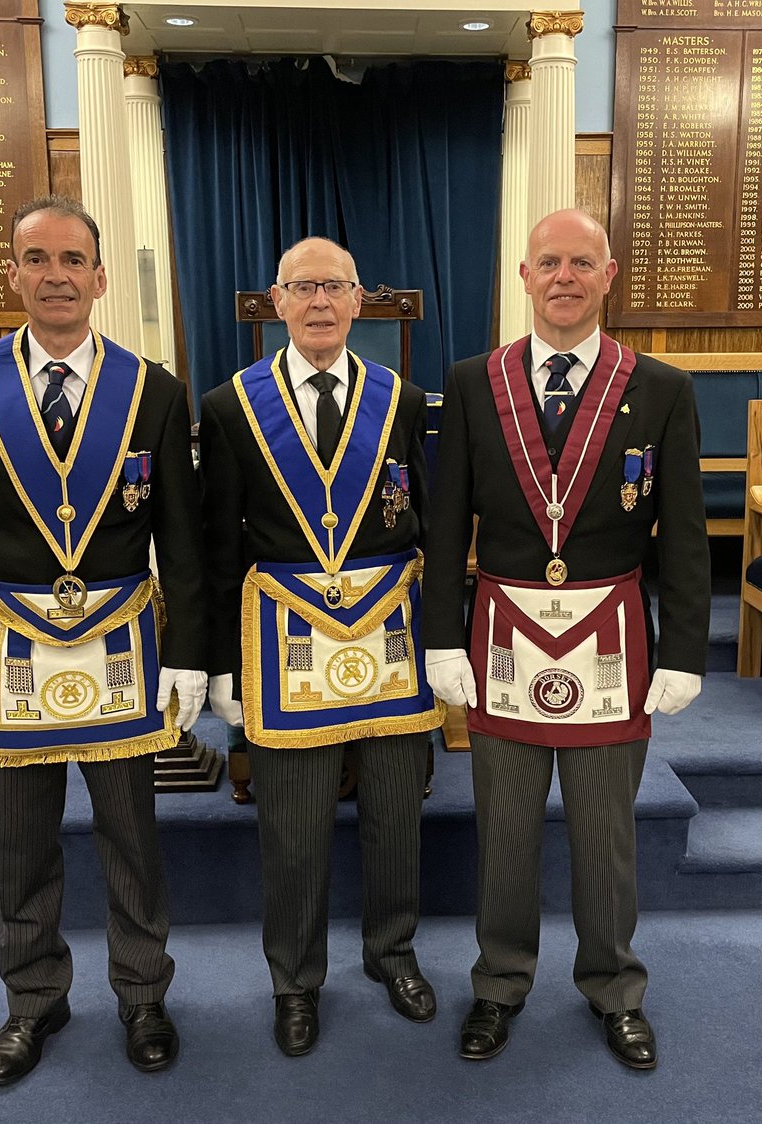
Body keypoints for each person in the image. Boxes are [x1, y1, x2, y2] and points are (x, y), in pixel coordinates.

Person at [0, 194, 207, 1083]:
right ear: (12, 273)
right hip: (15, 638)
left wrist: (194, 654)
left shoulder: (153, 390)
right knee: (21, 838)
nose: (56, 276)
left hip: (121, 641)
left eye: (72, 261)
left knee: (132, 832)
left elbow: (181, 534)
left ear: (99, 278)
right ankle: (34, 999)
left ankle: (142, 993)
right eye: (38, 259)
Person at [421, 209, 710, 1070]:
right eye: (549, 262)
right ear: (523, 275)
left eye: (582, 263)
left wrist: (687, 651)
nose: (564, 278)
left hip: (610, 638)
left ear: (608, 276)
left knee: (606, 840)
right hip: (504, 638)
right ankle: (499, 986)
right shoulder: (476, 381)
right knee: (504, 837)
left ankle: (614, 989)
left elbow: (685, 535)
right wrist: (444, 638)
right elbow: (445, 526)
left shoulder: (659, 388)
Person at [197, 237, 445, 1057]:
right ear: (276, 301)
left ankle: (393, 952)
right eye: (303, 287)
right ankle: (295, 980)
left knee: (393, 815)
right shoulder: (231, 407)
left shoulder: (402, 400)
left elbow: (426, 524)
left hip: (391, 637)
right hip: (284, 644)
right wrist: (226, 666)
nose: (319, 303)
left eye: (335, 286)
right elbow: (219, 547)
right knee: (295, 828)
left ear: (359, 300)